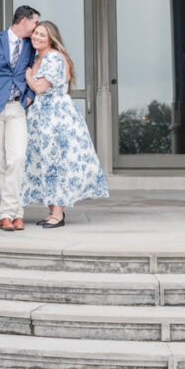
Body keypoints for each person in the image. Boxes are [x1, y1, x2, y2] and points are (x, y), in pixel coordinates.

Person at [21, 20, 108, 228]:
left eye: (42, 34)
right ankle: (53, 211)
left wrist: (27, 76)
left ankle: (58, 215)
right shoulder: (37, 58)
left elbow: (40, 87)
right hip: (41, 117)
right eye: (35, 34)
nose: (37, 37)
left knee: (56, 163)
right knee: (46, 162)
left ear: (51, 38)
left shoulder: (53, 57)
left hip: (56, 117)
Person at [0, 5, 40, 231]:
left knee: (18, 158)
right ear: (24, 21)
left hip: (16, 108)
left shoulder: (30, 46)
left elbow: (33, 70)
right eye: (35, 23)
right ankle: (13, 215)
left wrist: (29, 96)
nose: (36, 27)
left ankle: (10, 211)